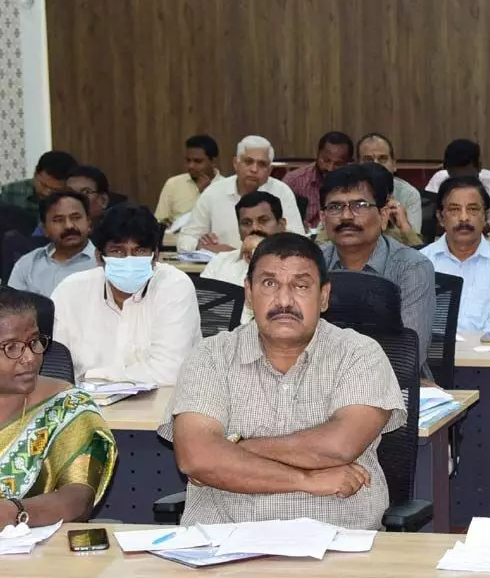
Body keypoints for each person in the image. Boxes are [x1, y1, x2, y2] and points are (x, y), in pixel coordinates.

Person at [159, 233, 405, 529]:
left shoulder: (359, 354)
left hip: (338, 543)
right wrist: (307, 479)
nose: (284, 300)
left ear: (323, 296)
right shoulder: (210, 356)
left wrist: (233, 447)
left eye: (301, 286)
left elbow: (338, 446)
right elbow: (196, 457)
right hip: (225, 545)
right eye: (269, 284)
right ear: (248, 293)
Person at [0, 288, 117, 528]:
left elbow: (78, 500)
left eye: (34, 342)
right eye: (11, 347)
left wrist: (15, 512)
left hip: (33, 557)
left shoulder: (68, 405)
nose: (30, 358)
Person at [51, 204, 202, 385]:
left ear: (155, 257)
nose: (129, 260)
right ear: (100, 257)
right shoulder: (70, 291)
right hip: (86, 406)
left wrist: (98, 377)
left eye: (139, 251)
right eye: (117, 251)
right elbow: (55, 368)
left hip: (159, 405)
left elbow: (169, 371)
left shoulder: (174, 286)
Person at [318, 164, 435, 373]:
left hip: (397, 389)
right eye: (335, 207)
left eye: (359, 205)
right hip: (321, 386)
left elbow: (408, 356)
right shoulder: (312, 264)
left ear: (383, 216)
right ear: (323, 219)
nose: (346, 216)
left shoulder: (412, 267)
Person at [421, 176, 490, 332]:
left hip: (486, 355)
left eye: (473, 209)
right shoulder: (420, 264)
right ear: (440, 217)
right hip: (432, 355)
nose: (464, 218)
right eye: (454, 210)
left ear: (485, 216)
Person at [177, 136, 304, 253]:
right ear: (235, 164)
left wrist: (234, 253)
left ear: (270, 170)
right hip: (223, 270)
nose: (254, 169)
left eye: (262, 164)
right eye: (248, 162)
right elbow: (185, 239)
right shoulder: (214, 192)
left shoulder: (281, 191)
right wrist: (201, 246)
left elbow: (298, 242)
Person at [200, 191, 288, 300]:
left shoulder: (297, 265)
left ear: (281, 225)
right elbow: (203, 308)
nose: (254, 228)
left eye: (263, 221)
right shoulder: (219, 263)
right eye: (246, 223)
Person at [425, 139, 490, 237]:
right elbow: (425, 224)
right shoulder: (439, 180)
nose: (463, 186)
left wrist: (482, 227)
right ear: (446, 169)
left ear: (479, 167)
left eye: (469, 180)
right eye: (456, 180)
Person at [8, 191, 95, 297]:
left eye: (76, 218)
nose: (69, 226)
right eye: (58, 220)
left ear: (89, 223)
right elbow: (12, 309)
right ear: (44, 229)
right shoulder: (27, 264)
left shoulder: (105, 263)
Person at [283, 131, 355, 230]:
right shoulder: (294, 180)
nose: (330, 168)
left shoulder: (356, 183)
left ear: (348, 163)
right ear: (317, 154)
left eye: (338, 164)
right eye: (325, 160)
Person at [357, 133, 422, 233]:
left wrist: (403, 225)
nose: (376, 165)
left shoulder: (409, 194)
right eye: (368, 160)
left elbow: (416, 245)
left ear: (394, 164)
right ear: (356, 165)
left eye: (382, 159)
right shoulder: (344, 192)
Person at [155, 135, 220, 226]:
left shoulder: (226, 186)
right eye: (188, 160)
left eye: (198, 161)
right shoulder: (173, 184)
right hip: (176, 239)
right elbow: (160, 221)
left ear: (213, 161)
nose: (191, 166)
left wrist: (206, 193)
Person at [0, 151, 77, 227]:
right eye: (43, 185)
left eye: (55, 190)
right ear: (35, 173)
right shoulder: (10, 192)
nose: (46, 193)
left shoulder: (75, 198)